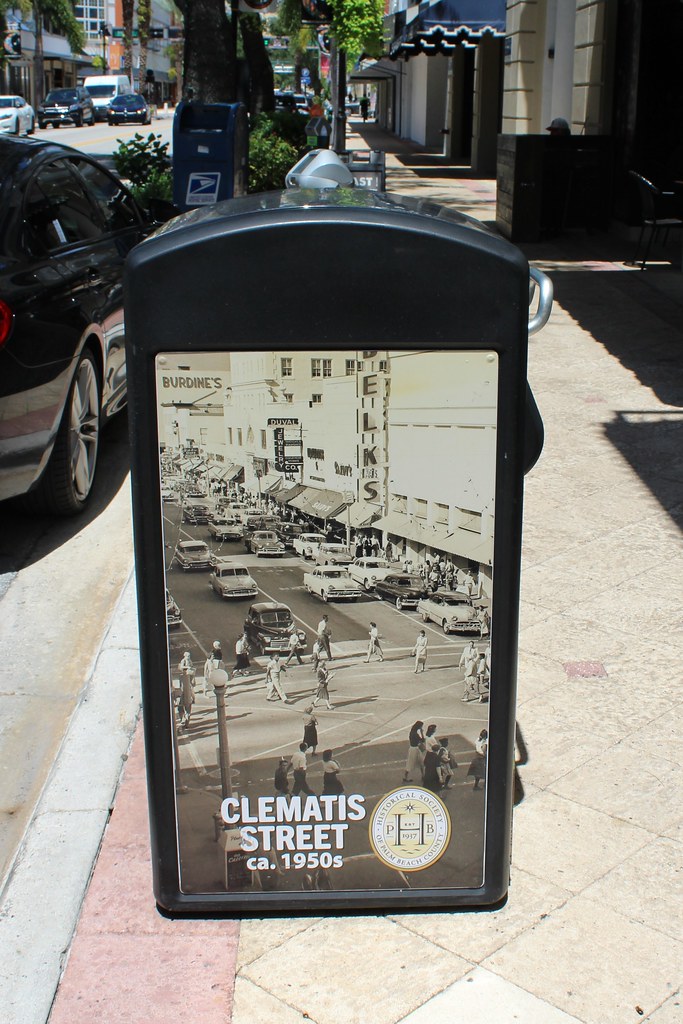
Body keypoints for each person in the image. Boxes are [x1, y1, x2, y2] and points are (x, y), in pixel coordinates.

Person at [177, 651, 195, 727]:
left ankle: (186, 722)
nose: (188, 657)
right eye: (187, 656)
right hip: (185, 694)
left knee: (186, 709)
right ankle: (183, 720)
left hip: (186, 694)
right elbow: (181, 667)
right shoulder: (183, 661)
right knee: (182, 708)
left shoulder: (189, 661)